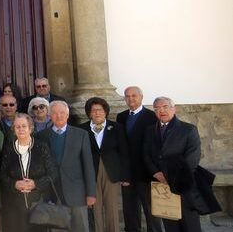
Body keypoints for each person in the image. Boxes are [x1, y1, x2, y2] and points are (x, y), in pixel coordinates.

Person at [143, 96, 203, 232]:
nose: (161, 111)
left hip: (183, 184)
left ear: (173, 109)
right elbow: (146, 154)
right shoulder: (150, 130)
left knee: (190, 223)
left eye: (165, 107)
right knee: (170, 223)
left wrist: (172, 177)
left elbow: (192, 158)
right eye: (157, 108)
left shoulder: (188, 129)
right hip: (161, 184)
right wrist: (156, 173)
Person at [37, 101, 96, 232]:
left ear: (67, 115)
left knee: (81, 228)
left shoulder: (81, 134)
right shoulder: (41, 136)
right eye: (55, 113)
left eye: (62, 113)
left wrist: (91, 193)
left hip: (77, 192)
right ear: (49, 115)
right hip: (53, 192)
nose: (59, 116)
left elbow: (88, 165)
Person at [0, 114, 57, 232]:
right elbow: (1, 174)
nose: (21, 129)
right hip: (14, 205)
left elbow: (53, 173)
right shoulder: (8, 149)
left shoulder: (41, 147)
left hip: (39, 204)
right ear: (14, 129)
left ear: (30, 128)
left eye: (24, 126)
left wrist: (35, 183)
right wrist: (14, 184)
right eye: (17, 127)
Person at [80, 97, 130, 232]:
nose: (97, 113)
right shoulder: (81, 129)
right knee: (95, 207)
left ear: (106, 112)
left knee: (112, 207)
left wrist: (125, 175)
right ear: (89, 113)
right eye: (93, 110)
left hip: (112, 172)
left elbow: (124, 152)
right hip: (91, 172)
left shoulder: (117, 128)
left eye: (100, 110)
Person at [116, 86, 162, 232]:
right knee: (129, 210)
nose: (130, 99)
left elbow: (157, 145)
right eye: (127, 96)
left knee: (151, 210)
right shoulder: (121, 117)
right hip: (128, 172)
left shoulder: (151, 116)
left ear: (141, 97)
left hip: (146, 172)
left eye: (134, 95)